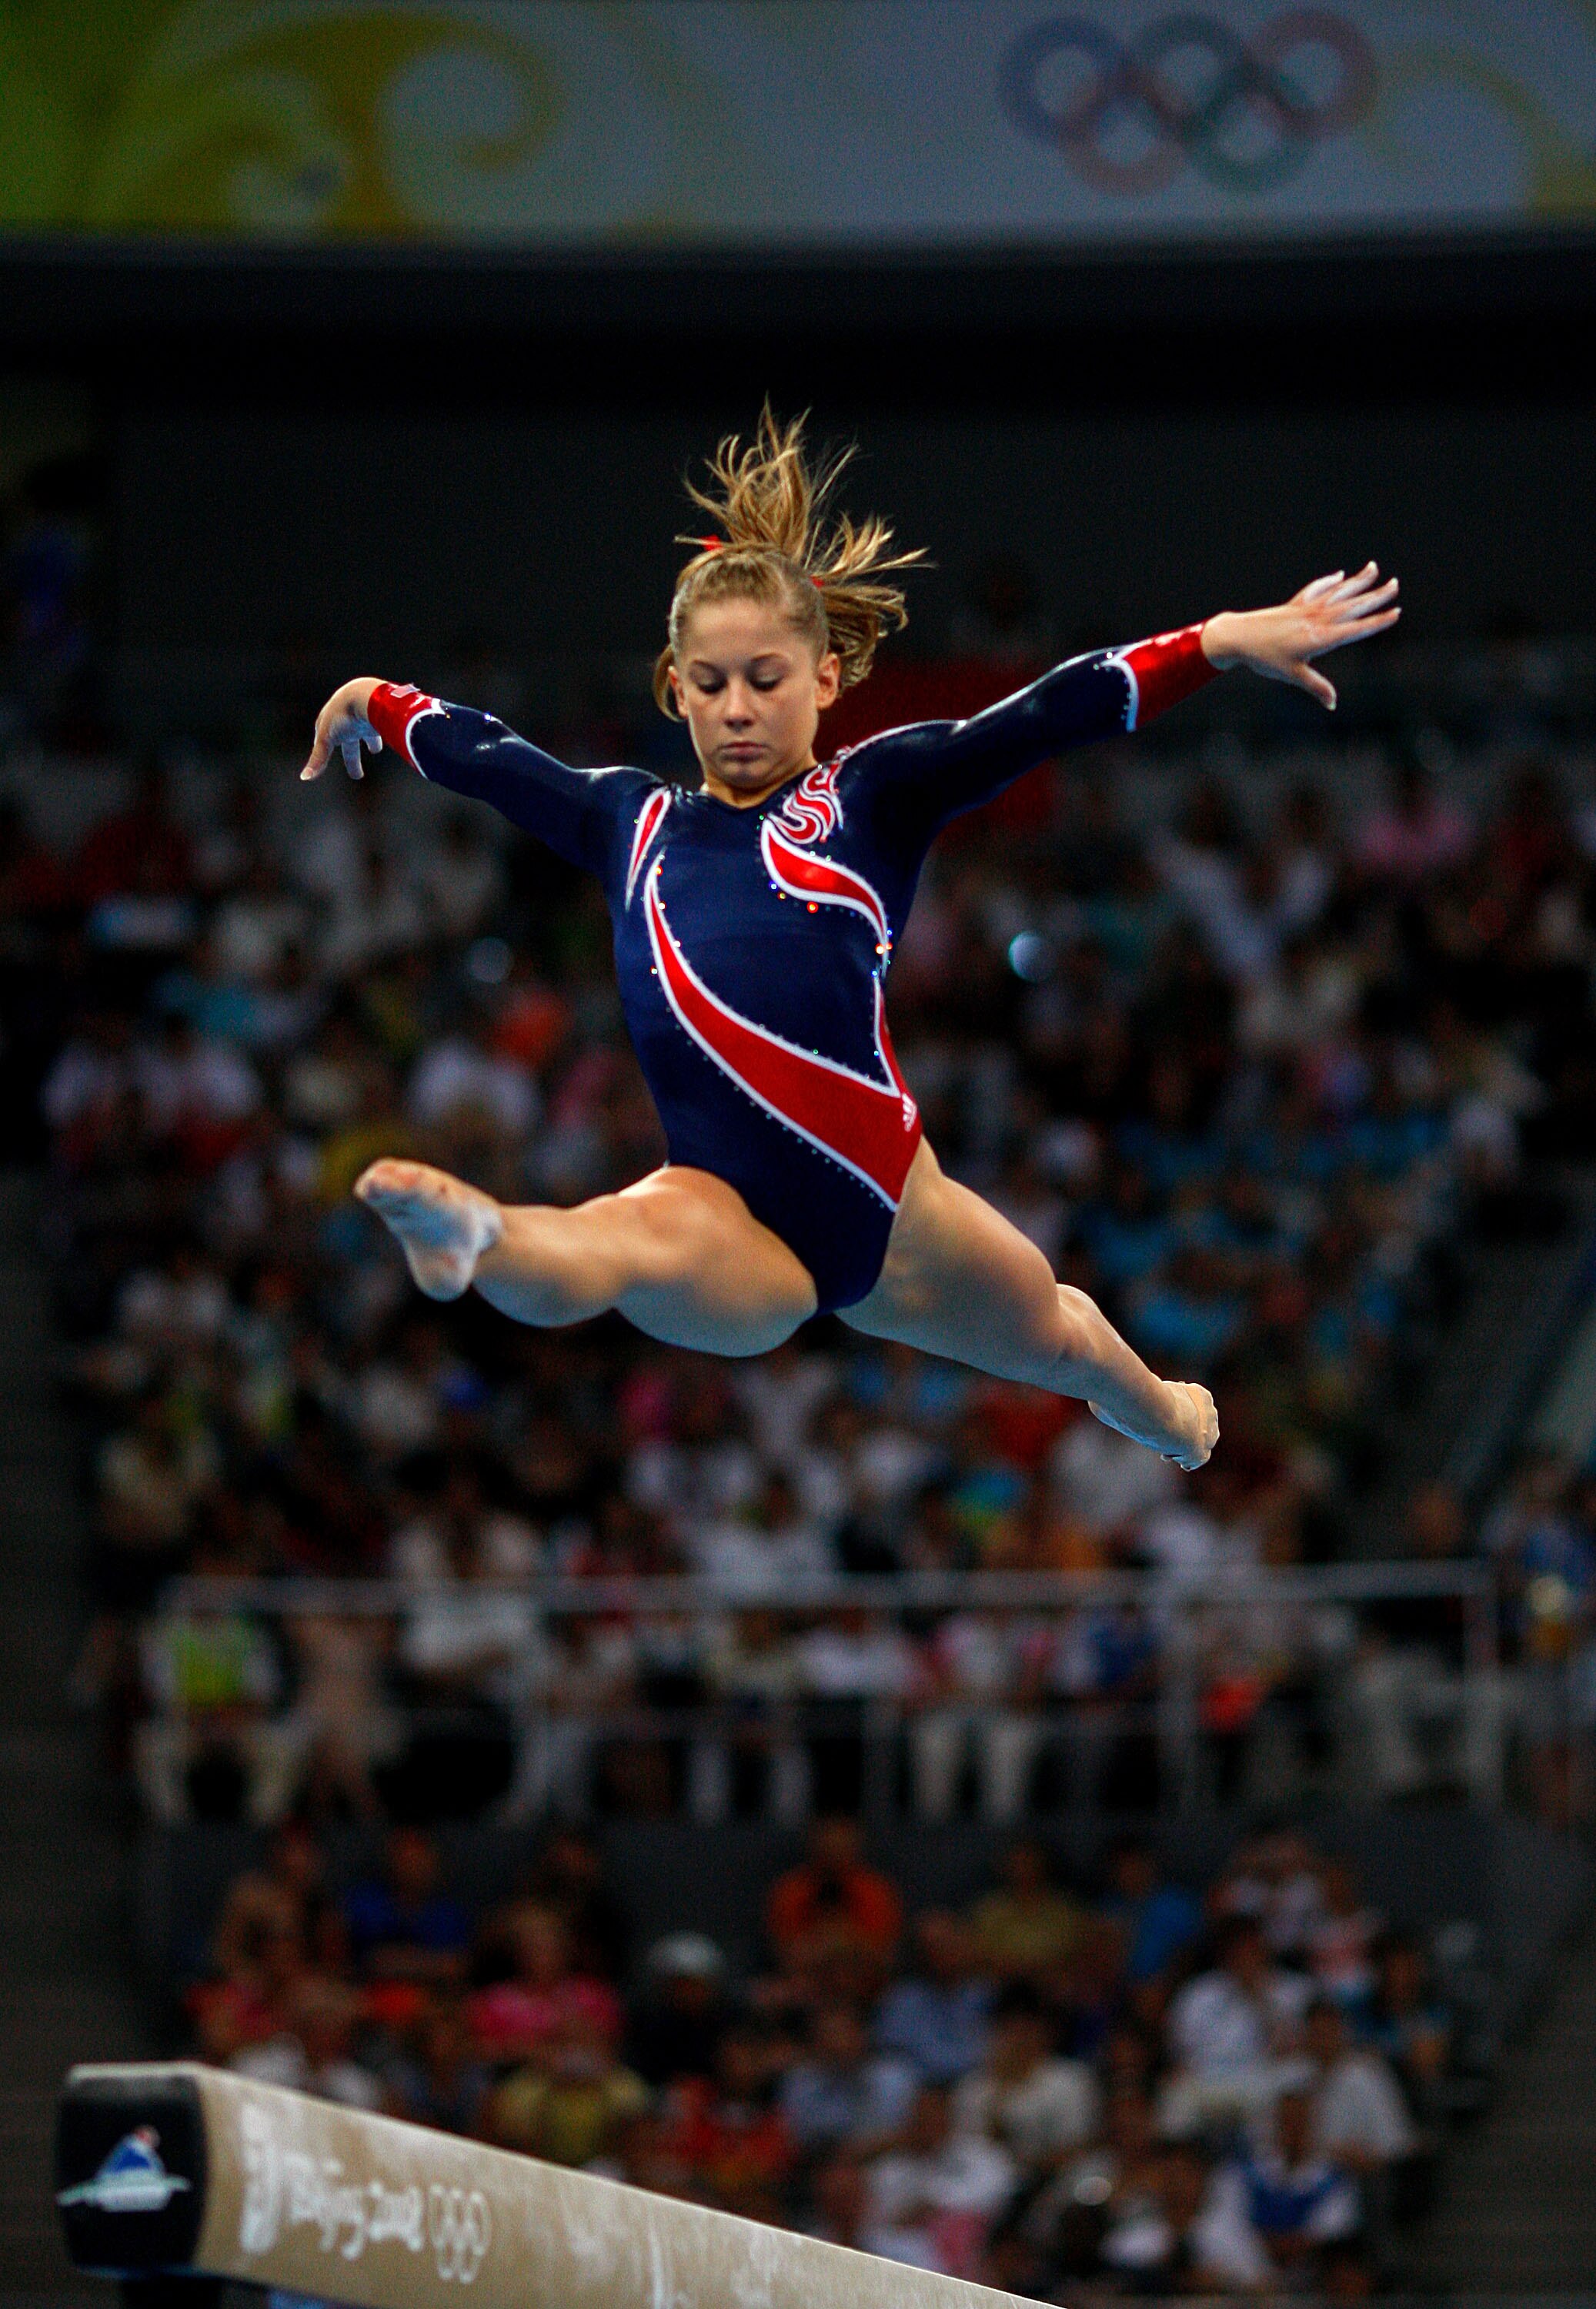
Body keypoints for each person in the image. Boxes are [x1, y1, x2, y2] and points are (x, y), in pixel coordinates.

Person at [301, 410, 1397, 1465]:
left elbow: (1040, 715)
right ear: (673, 690)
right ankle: (477, 1230)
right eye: (711, 684)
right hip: (723, 1208)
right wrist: (373, 699)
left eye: (766, 680)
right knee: (615, 1244)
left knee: (1057, 1337)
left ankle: (1163, 1412)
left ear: (824, 679)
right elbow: (490, 757)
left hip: (890, 1212)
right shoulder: (627, 823)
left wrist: (1211, 644)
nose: (737, 707)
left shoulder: (870, 796)